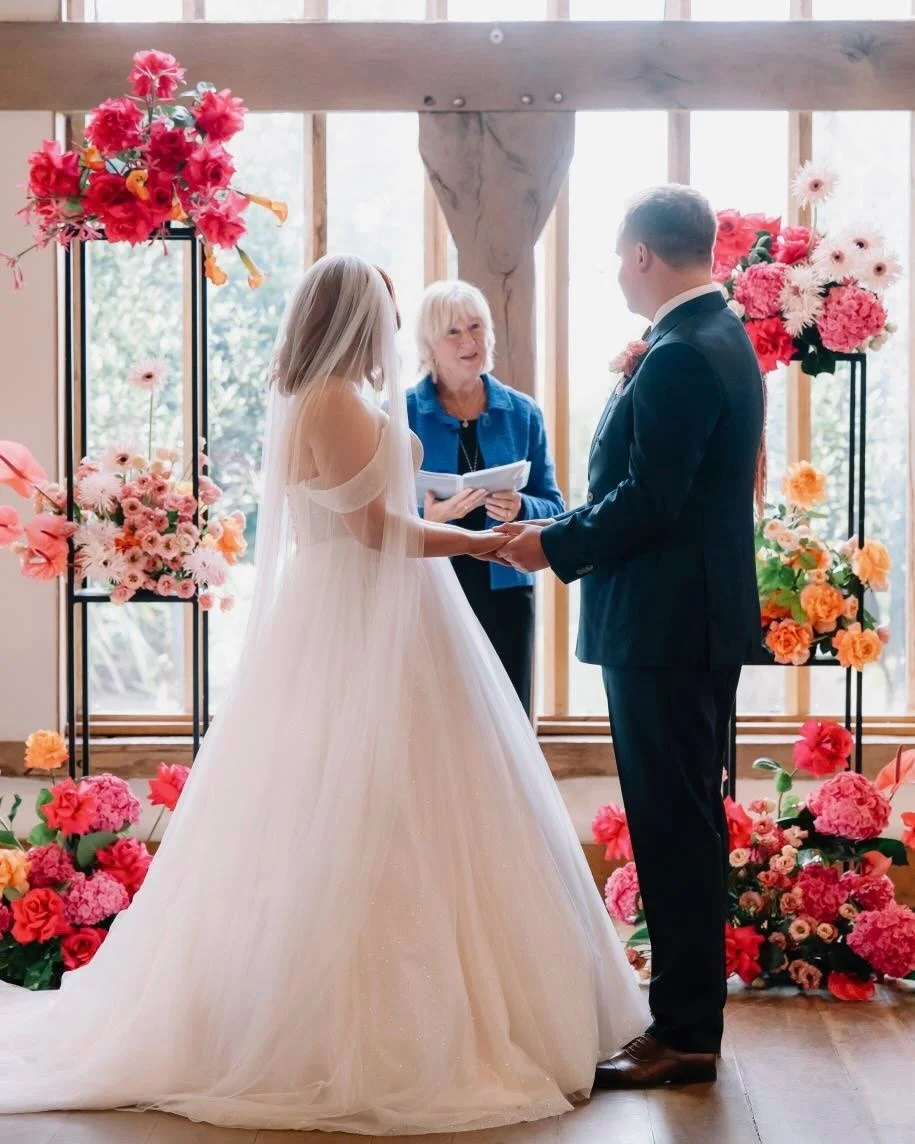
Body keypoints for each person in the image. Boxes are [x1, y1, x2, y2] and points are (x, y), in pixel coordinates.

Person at [0, 254, 646, 1133]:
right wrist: (482, 548)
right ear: (354, 320)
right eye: (383, 314)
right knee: (370, 803)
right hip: (360, 613)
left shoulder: (328, 395)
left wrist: (463, 530)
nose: (391, 332)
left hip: (384, 610)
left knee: (423, 798)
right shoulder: (334, 400)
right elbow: (373, 529)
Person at [496, 186, 764, 1088]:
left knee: (673, 825)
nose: (615, 270)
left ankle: (685, 1032)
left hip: (665, 626)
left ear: (645, 255)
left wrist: (550, 543)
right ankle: (684, 1017)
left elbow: (653, 498)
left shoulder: (683, 355)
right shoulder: (714, 338)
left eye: (618, 255)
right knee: (683, 819)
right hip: (686, 620)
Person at [407, 279, 565, 713]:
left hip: (507, 588)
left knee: (508, 715)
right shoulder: (399, 414)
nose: (469, 341)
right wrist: (428, 515)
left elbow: (555, 507)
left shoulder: (523, 412)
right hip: (430, 588)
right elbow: (376, 516)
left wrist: (522, 506)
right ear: (429, 345)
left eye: (476, 327)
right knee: (436, 714)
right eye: (453, 332)